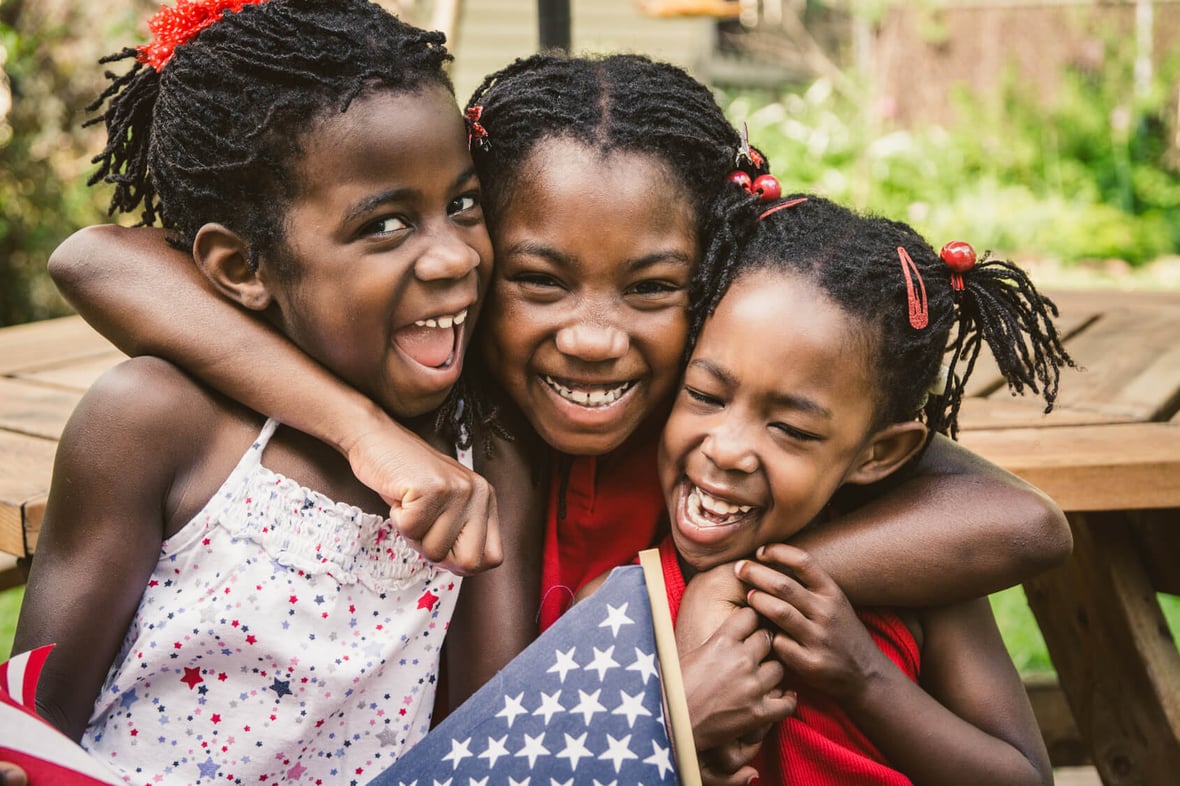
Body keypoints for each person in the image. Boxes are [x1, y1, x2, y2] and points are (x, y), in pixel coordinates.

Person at [48, 52, 1071, 775]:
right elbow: (95, 258)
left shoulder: (734, 431)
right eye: (539, 280)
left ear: (707, 278)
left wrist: (681, 605)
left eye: (649, 287)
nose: (591, 336)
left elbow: (1021, 523)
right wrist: (363, 429)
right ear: (478, 249)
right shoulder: (476, 426)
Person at [11, 1, 532, 783]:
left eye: (463, 204)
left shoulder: (480, 462)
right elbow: (30, 739)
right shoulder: (159, 422)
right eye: (385, 225)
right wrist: (363, 431)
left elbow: (487, 749)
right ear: (241, 268)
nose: (454, 257)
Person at [654, 194, 1070, 785]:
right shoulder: (626, 599)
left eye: (791, 429)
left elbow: (1024, 778)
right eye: (704, 394)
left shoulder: (921, 576)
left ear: (878, 455)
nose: (725, 448)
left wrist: (863, 675)